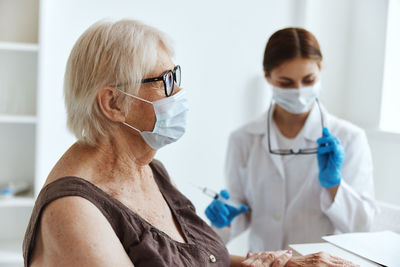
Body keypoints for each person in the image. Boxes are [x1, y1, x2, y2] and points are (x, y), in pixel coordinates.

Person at [22, 20, 358, 267]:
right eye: (165, 81)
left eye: (176, 76)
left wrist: (279, 264)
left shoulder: (150, 170)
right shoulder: (74, 211)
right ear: (113, 103)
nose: (179, 93)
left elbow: (197, 259)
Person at [205, 27, 377, 252]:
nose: (299, 91)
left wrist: (335, 186)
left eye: (308, 80)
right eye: (286, 83)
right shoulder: (243, 139)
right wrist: (224, 220)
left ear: (320, 70)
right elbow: (240, 210)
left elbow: (363, 227)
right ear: (267, 76)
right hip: (263, 261)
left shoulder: (350, 138)